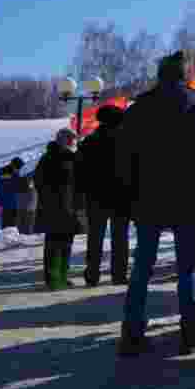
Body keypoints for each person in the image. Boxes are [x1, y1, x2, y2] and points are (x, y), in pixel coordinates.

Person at [116, 51, 195, 357]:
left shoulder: (139, 107)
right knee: (187, 267)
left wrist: (129, 196)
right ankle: (190, 333)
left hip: (148, 198)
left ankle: (132, 334)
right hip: (186, 198)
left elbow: (124, 158)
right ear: (184, 75)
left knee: (142, 268)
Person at [77, 105, 130, 286]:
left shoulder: (89, 141)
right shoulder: (126, 141)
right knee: (120, 237)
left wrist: (83, 192)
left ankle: (92, 274)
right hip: (121, 196)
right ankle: (119, 274)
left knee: (95, 237)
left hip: (95, 197)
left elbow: (80, 171)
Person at [34, 129, 84, 290]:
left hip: (69, 208)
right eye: (71, 141)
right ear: (64, 141)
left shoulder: (72, 157)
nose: (73, 144)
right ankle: (53, 279)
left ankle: (63, 276)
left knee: (66, 244)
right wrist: (51, 197)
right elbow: (39, 181)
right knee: (54, 245)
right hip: (54, 208)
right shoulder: (49, 157)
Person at [0, 158, 25, 229]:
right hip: (10, 203)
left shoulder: (4, 173)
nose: (19, 170)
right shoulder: (12, 175)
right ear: (14, 166)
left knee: (8, 225)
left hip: (6, 202)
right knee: (10, 225)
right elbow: (15, 187)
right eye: (18, 168)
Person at [16, 167, 39, 235]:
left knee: (25, 222)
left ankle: (24, 233)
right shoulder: (28, 181)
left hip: (25, 206)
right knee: (27, 222)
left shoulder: (25, 180)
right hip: (27, 207)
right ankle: (25, 234)